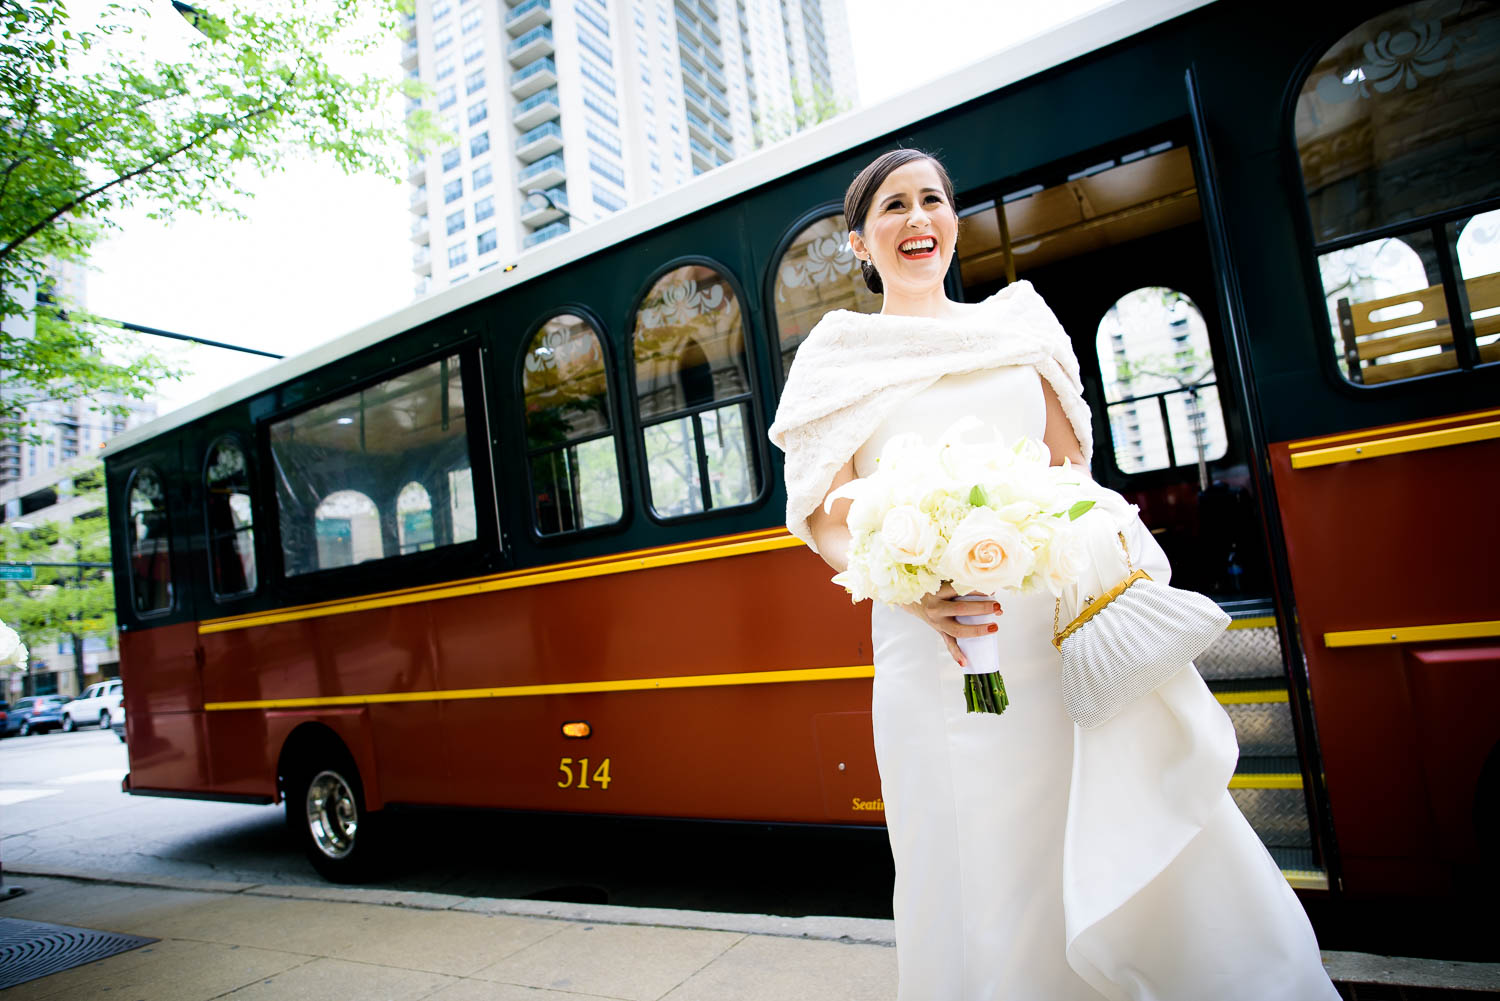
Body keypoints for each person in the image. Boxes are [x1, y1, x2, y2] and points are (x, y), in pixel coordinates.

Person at [768, 149, 1338, 1001]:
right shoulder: (837, 356)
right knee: (966, 850)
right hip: (931, 648)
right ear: (859, 241)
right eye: (893, 206)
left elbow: (1072, 473)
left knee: (1067, 823)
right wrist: (909, 582)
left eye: (933, 199)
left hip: (1049, 634)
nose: (917, 218)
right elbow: (824, 509)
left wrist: (1099, 537)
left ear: (952, 221)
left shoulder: (1021, 326)